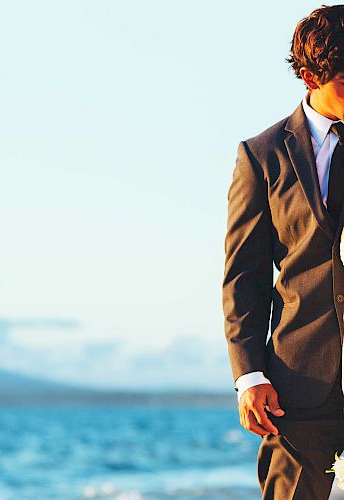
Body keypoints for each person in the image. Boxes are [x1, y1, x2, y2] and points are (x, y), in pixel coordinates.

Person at [222, 5, 344, 499]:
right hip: (298, 385)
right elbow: (243, 275)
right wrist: (249, 374)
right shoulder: (262, 155)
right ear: (312, 74)